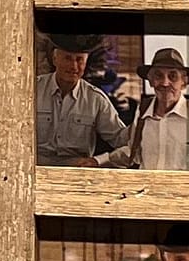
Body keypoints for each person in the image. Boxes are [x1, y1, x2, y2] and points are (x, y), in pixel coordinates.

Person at [78, 47, 189, 171]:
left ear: (184, 82)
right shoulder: (143, 111)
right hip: (146, 187)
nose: (165, 83)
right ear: (150, 81)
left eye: (173, 76)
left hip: (182, 188)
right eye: (158, 76)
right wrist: (97, 161)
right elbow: (132, 152)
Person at [35, 32, 129, 166]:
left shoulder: (95, 100)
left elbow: (123, 141)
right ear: (55, 59)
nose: (73, 66)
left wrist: (98, 161)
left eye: (79, 60)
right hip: (34, 172)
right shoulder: (32, 91)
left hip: (77, 175)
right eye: (67, 58)